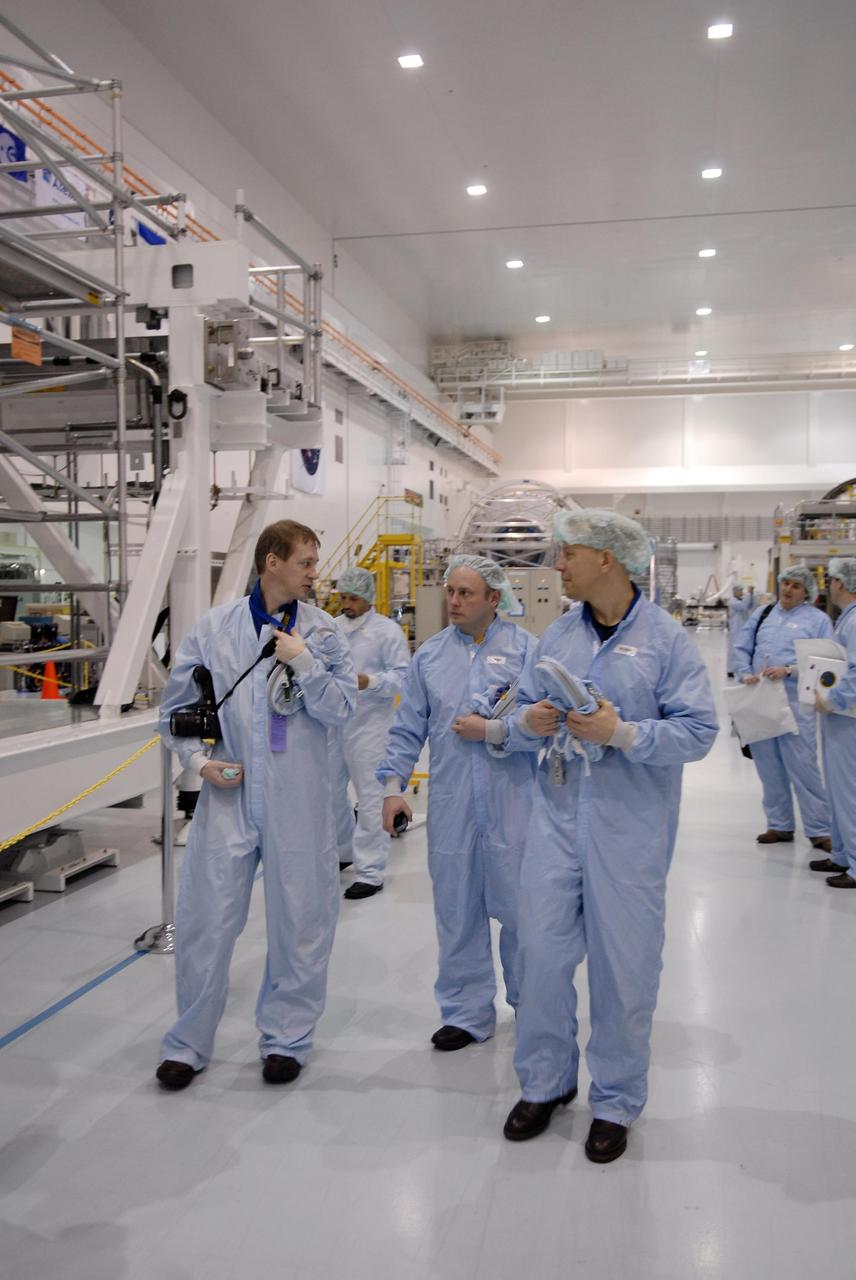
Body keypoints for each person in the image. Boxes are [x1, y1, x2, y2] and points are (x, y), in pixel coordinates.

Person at [496, 508, 717, 1163]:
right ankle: (546, 1081)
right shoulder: (558, 634)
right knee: (539, 954)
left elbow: (699, 732)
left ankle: (615, 1099)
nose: (558, 564)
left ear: (606, 559)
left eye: (568, 552)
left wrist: (622, 734)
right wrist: (531, 721)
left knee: (625, 969)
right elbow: (520, 711)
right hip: (556, 817)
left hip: (629, 830)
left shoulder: (666, 640)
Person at [155, 520, 357, 1090]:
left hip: (300, 799)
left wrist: (305, 662)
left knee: (302, 921)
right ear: (272, 562)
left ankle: (287, 1039)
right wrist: (199, 763)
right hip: (231, 793)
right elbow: (176, 711)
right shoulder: (213, 629)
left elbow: (343, 708)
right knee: (206, 921)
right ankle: (188, 1043)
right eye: (305, 562)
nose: (314, 573)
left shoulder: (323, 633)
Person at [378, 555, 537, 1052]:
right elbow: (407, 728)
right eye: (450, 591)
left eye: (466, 593)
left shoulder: (527, 651)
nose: (454, 601)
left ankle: (534, 1003)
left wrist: (495, 730)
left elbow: (546, 725)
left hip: (515, 804)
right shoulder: (429, 657)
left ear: (494, 598)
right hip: (452, 806)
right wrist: (392, 788)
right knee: (457, 909)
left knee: (523, 911)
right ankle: (466, 1013)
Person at [733, 565, 832, 852]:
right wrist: (743, 672)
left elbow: (825, 663)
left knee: (803, 767)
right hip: (760, 699)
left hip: (796, 703)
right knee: (768, 766)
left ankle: (820, 829)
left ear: (807, 592)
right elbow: (741, 647)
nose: (788, 589)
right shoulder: (763, 614)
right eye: (786, 583)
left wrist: (789, 670)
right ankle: (779, 824)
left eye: (795, 586)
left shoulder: (818, 621)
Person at [330, 566, 410, 900]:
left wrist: (370, 681)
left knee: (371, 798)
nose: (347, 604)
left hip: (371, 726)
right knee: (330, 792)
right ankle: (344, 850)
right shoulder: (331, 628)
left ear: (368, 598)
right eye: (343, 598)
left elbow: (402, 676)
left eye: (353, 598)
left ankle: (370, 871)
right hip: (334, 724)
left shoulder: (386, 632)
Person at [813, 557, 856, 888]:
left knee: (849, 791)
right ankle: (842, 855)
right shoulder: (846, 619)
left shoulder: (854, 622)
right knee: (837, 790)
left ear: (841, 582)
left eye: (832, 579)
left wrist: (832, 699)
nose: (829, 585)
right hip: (838, 718)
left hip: (848, 717)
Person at [726, 584, 754, 678]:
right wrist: (749, 593)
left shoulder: (742, 600)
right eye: (740, 590)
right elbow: (743, 606)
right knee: (733, 649)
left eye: (742, 590)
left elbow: (751, 605)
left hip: (743, 628)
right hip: (735, 629)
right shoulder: (732, 601)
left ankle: (742, 668)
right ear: (735, 592)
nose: (741, 592)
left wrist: (752, 594)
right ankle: (730, 669)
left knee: (743, 649)